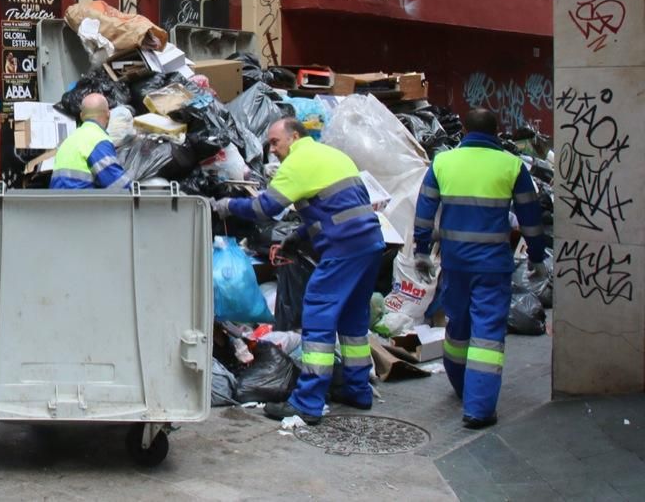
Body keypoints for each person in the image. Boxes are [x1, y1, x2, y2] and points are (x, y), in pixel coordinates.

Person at [211, 118, 385, 425]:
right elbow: (335, 210)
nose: (272, 150)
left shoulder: (297, 163)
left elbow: (264, 208)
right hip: (370, 244)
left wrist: (227, 205)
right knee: (353, 321)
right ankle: (358, 390)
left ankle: (307, 403)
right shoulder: (332, 155)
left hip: (342, 249)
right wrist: (297, 237)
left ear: (294, 137)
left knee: (318, 317)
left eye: (275, 142)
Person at [413, 108, 547, 429]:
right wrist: (536, 258)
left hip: (454, 263)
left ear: (465, 130)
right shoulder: (511, 165)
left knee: (458, 324)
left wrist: (421, 252)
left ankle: (462, 386)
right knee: (487, 335)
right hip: (492, 266)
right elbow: (530, 218)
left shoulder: (443, 162)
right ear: (495, 131)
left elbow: (424, 210)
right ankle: (478, 409)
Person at [50, 93, 131, 190]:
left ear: (81, 116)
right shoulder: (98, 140)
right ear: (108, 114)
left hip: (58, 199)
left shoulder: (69, 140)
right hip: (81, 199)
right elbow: (117, 185)